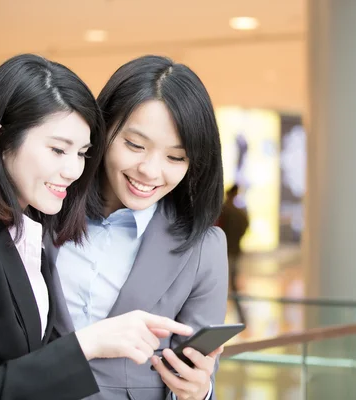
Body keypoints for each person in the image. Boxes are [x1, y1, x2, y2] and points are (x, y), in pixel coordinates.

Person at [0, 54, 193, 400]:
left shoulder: (28, 227)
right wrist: (86, 344)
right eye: (58, 150)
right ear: (1, 138)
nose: (73, 170)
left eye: (82, 152)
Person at [48, 55, 229, 400]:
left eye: (175, 157)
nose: (149, 170)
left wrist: (198, 390)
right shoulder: (43, 209)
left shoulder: (203, 248)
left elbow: (197, 372)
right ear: (102, 130)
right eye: (134, 144)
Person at [218, 184, 249, 324]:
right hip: (234, 249)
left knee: (221, 281)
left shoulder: (225, 210)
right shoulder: (238, 212)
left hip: (225, 250)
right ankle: (239, 317)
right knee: (232, 281)